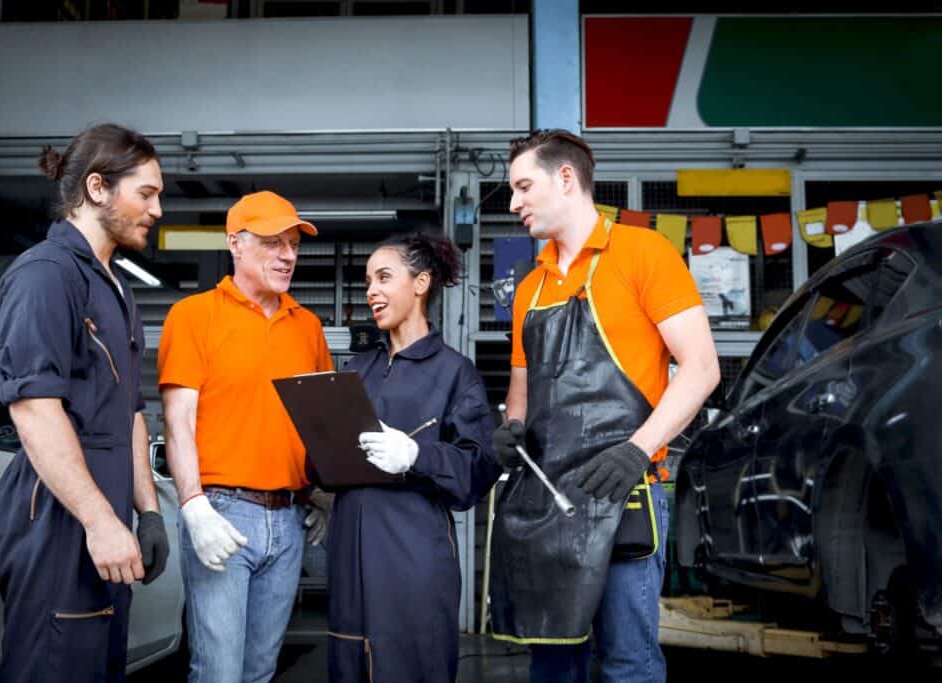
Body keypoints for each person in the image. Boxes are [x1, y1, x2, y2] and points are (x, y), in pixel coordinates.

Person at [489, 129, 721, 683]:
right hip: (549, 502)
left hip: (624, 491)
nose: (514, 203)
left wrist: (636, 452)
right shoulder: (531, 286)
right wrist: (512, 425)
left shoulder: (644, 252)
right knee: (553, 658)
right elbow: (522, 384)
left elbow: (702, 368)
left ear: (566, 178)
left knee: (628, 662)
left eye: (523, 187)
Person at [0, 123, 169, 683]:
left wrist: (148, 513)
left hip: (107, 517)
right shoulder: (45, 276)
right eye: (146, 193)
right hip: (60, 523)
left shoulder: (115, 288)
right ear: (97, 188)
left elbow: (132, 413)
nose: (158, 209)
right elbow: (34, 409)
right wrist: (98, 520)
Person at [158, 190, 334, 683]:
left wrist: (321, 493)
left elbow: (319, 422)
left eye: (294, 244)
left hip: (289, 518)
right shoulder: (194, 316)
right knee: (219, 672)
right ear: (235, 243)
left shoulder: (309, 326)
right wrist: (192, 505)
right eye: (273, 242)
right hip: (222, 515)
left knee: (259, 670)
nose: (288, 255)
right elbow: (178, 421)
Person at [324, 233, 502, 682]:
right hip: (349, 557)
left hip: (413, 560)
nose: (371, 291)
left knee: (411, 667)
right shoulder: (355, 370)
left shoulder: (455, 372)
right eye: (367, 281)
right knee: (349, 666)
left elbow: (477, 471)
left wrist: (416, 455)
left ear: (421, 283)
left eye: (384, 277)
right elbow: (323, 467)